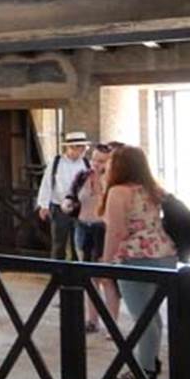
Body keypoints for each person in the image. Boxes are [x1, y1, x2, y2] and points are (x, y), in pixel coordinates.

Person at [99, 144, 177, 379]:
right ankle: (151, 360)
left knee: (142, 317)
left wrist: (105, 263)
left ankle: (144, 369)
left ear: (118, 166)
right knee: (152, 315)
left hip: (136, 257)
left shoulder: (118, 192)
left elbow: (117, 231)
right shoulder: (153, 189)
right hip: (165, 254)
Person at [63, 142, 120, 332]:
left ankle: (112, 324)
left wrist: (105, 178)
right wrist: (67, 204)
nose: (96, 164)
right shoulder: (82, 176)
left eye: (102, 161)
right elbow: (71, 195)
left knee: (107, 278)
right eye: (94, 159)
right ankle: (92, 320)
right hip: (82, 227)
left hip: (103, 229)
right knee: (89, 276)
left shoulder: (115, 181)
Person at [36, 131, 91, 259]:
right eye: (79, 147)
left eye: (83, 147)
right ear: (70, 148)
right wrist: (43, 205)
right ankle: (57, 270)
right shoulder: (56, 163)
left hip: (79, 208)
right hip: (59, 207)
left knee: (78, 243)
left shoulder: (86, 164)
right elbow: (47, 183)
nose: (82, 150)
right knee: (58, 243)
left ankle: (76, 270)